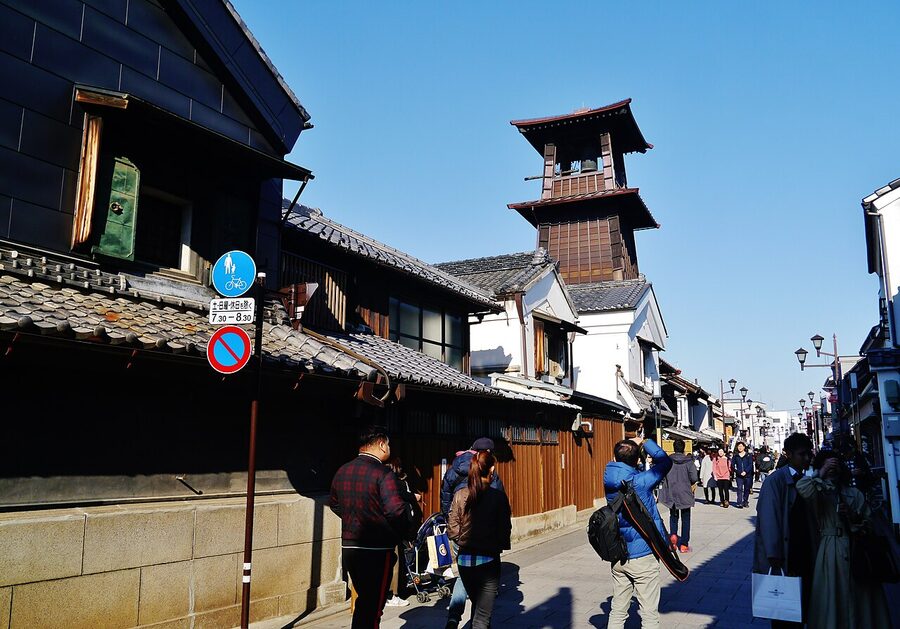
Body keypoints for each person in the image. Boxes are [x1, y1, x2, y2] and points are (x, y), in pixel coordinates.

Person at [330, 427, 415, 629]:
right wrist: (405, 529)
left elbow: (334, 503)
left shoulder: (342, 470)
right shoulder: (383, 474)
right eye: (388, 444)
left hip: (350, 546)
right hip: (377, 548)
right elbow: (395, 510)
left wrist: (353, 517)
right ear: (380, 444)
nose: (389, 448)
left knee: (365, 602)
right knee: (373, 606)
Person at [796, 450, 890, 628]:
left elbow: (868, 523)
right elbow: (803, 488)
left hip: (856, 548)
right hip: (830, 549)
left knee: (861, 597)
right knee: (832, 594)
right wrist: (820, 473)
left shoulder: (854, 493)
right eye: (828, 465)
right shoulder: (820, 492)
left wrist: (853, 516)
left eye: (835, 465)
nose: (832, 470)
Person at [603, 434, 672, 629]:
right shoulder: (641, 481)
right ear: (637, 461)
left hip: (620, 552)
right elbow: (665, 462)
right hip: (643, 554)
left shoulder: (609, 479)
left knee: (617, 609)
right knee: (649, 613)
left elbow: (628, 471)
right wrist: (646, 443)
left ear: (615, 459)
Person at [753, 432, 817, 629]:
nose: (806, 459)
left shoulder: (808, 480)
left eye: (809, 454)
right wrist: (774, 553)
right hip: (785, 553)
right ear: (788, 454)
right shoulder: (776, 481)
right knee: (784, 611)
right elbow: (768, 518)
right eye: (801, 454)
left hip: (804, 550)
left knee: (803, 605)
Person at [441, 438, 504, 629]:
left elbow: (445, 497)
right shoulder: (493, 487)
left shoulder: (454, 469)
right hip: (486, 548)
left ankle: (453, 616)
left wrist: (457, 535)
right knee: (483, 607)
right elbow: (502, 521)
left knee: (463, 578)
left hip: (462, 538)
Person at [384, 457, 423, 607]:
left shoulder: (385, 479)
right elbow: (398, 499)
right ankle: (391, 594)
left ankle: (393, 592)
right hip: (392, 526)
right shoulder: (391, 481)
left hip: (388, 526)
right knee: (395, 560)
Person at [657, 439, 698, 552]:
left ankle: (673, 537)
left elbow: (662, 475)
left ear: (674, 448)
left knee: (673, 517)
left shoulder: (668, 461)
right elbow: (694, 477)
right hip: (685, 493)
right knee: (686, 518)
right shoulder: (689, 462)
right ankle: (684, 544)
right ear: (683, 448)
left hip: (671, 493)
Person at [732, 442, 753, 508]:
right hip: (739, 476)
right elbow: (733, 465)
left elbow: (750, 465)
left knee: (747, 489)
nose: (740, 447)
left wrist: (745, 471)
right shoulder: (735, 456)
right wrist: (738, 472)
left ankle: (745, 501)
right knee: (739, 488)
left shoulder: (748, 455)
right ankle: (739, 502)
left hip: (747, 475)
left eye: (741, 446)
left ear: (744, 447)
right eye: (738, 446)